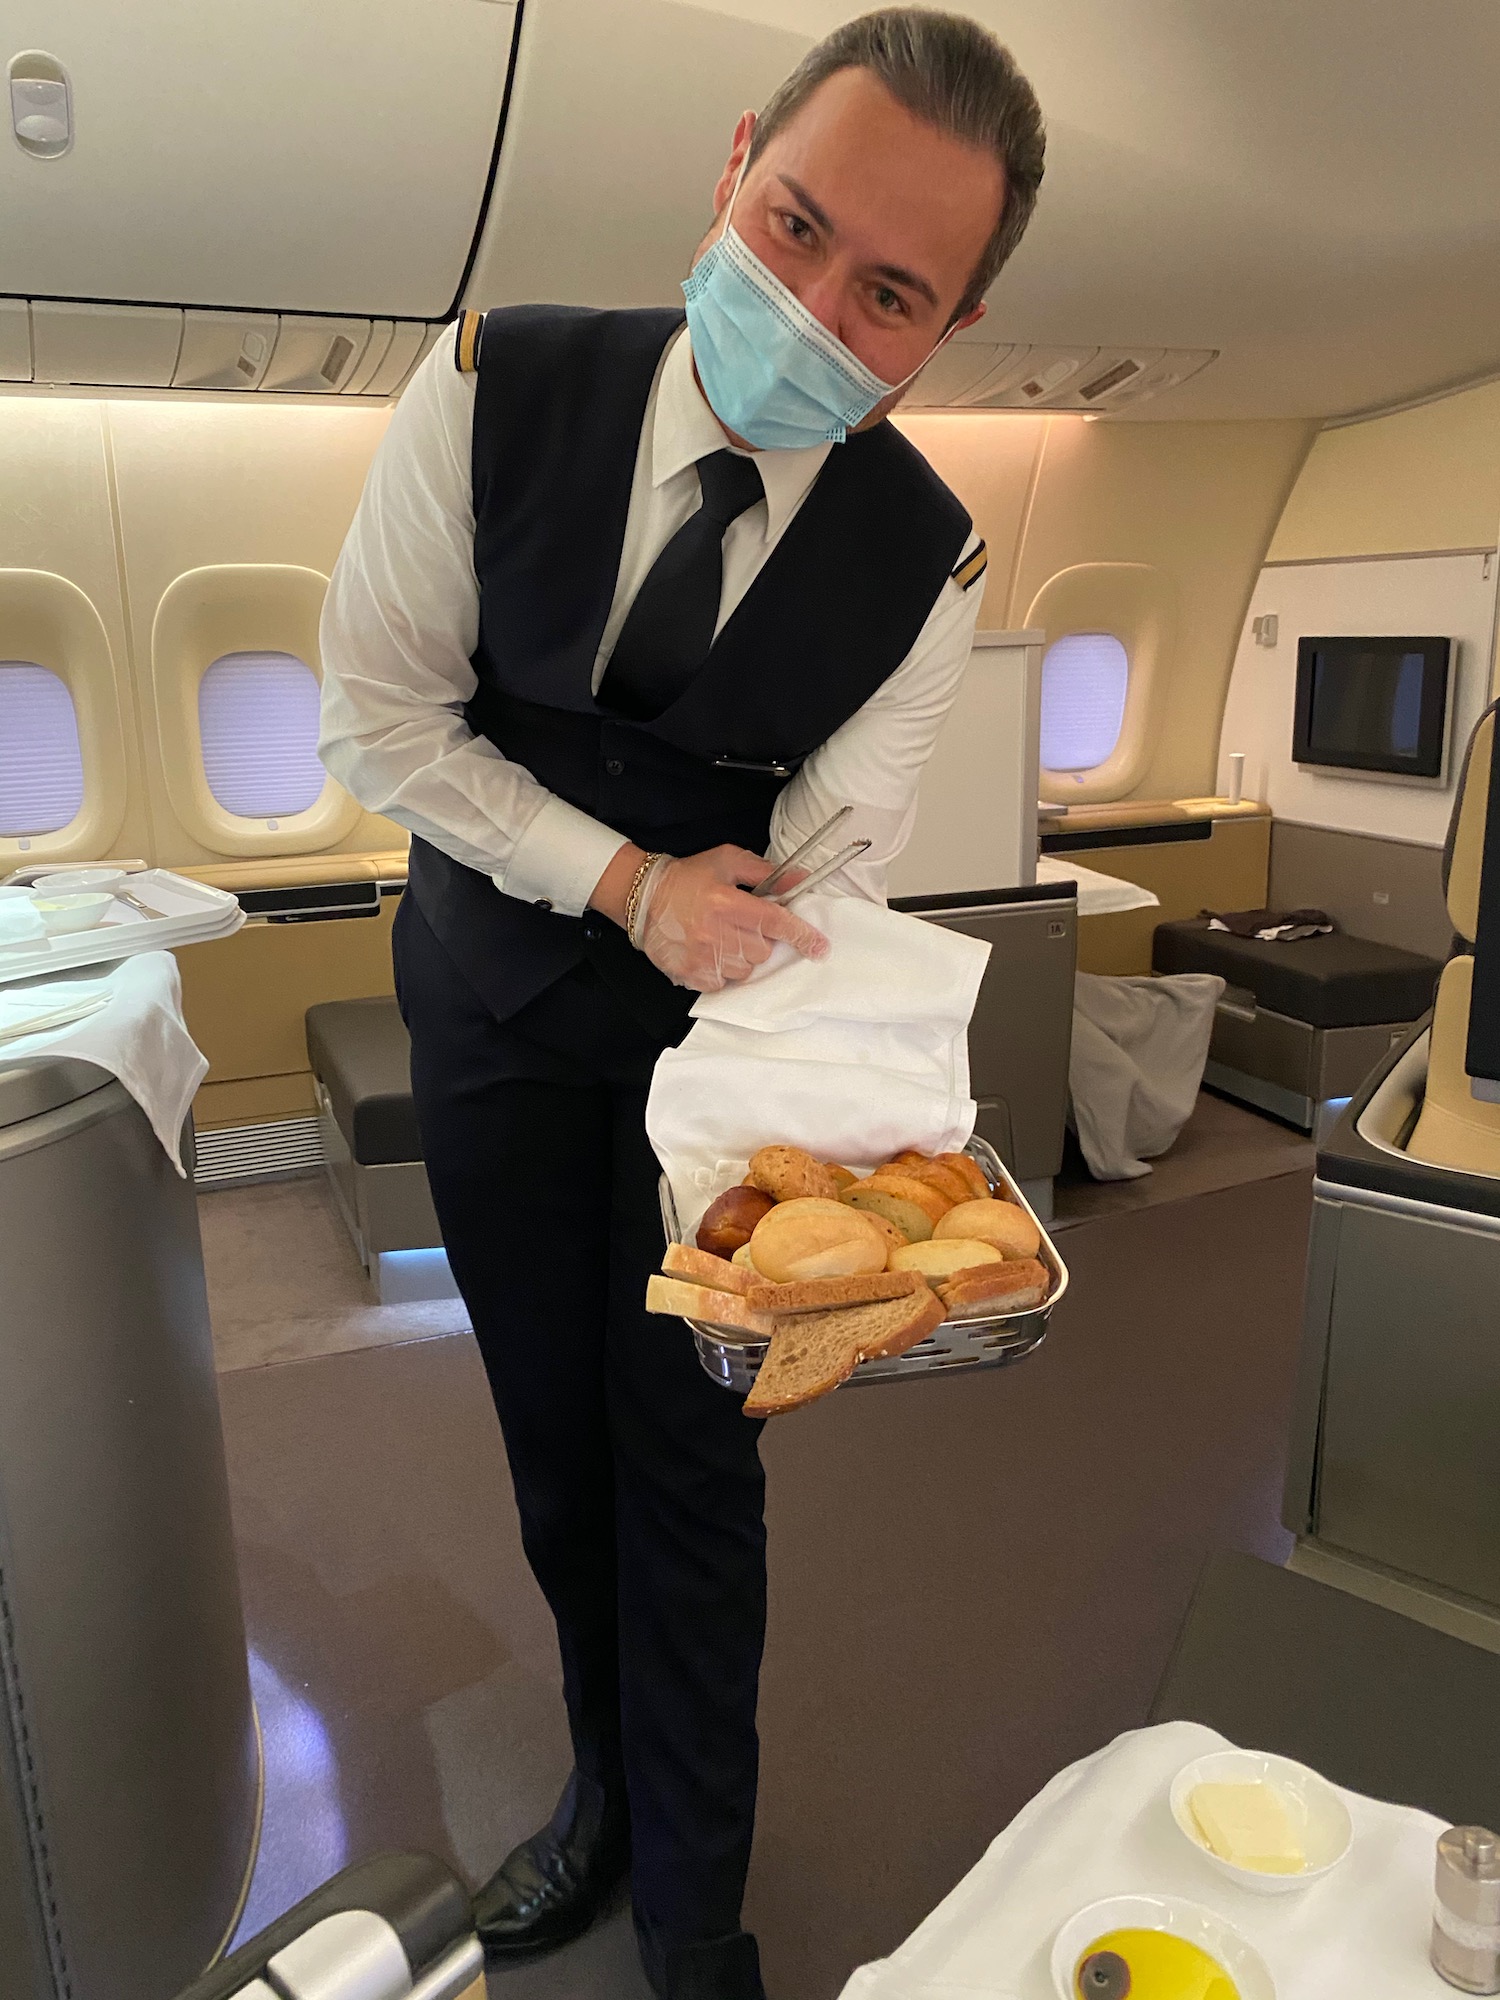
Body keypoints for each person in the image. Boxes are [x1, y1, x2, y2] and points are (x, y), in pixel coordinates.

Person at [317, 11, 1044, 1996]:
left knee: (697, 1471)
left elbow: (822, 860)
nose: (813, 303)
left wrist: (748, 973)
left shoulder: (931, 559)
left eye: (887, 291)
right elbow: (374, 720)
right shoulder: (484, 390)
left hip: (705, 1066)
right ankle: (598, 1803)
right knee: (559, 1449)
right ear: (734, 163)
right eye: (796, 222)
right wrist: (629, 877)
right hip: (484, 1009)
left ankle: (697, 1905)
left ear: (944, 331)